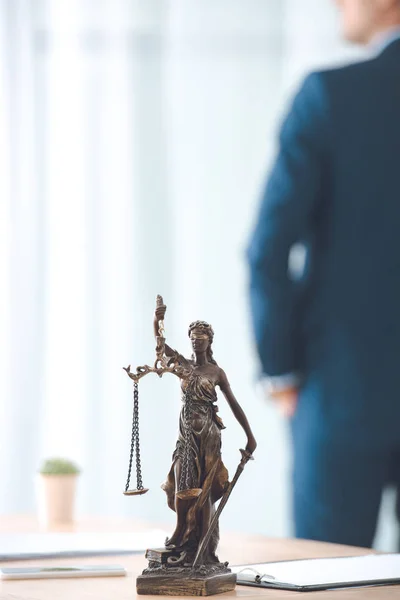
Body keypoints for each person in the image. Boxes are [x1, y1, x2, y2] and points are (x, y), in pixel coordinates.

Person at [247, 0, 400, 548]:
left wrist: (280, 369)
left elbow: (267, 248)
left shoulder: (332, 96)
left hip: (341, 391)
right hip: (340, 388)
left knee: (330, 580)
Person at [153, 303, 257, 564]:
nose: (196, 343)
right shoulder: (183, 366)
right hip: (186, 433)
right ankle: (180, 530)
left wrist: (250, 436)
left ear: (209, 342)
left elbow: (234, 404)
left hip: (208, 435)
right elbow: (159, 344)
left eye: (201, 339)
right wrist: (157, 320)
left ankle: (201, 549)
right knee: (180, 480)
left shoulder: (216, 373)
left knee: (205, 490)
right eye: (193, 339)